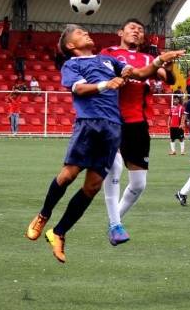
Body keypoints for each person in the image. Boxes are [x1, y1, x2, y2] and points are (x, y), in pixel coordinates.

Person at [25, 24, 128, 263]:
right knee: (68, 175)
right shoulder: (72, 64)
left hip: (112, 128)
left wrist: (157, 63)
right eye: (80, 33)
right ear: (71, 45)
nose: (86, 33)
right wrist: (106, 84)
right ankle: (43, 215)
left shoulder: (108, 60)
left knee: (92, 187)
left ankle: (58, 233)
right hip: (89, 125)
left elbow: (134, 71)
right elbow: (80, 89)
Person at [100, 18, 182, 246]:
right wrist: (157, 62)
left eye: (140, 30)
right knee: (114, 169)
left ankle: (112, 222)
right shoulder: (109, 53)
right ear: (120, 32)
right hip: (111, 120)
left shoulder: (148, 58)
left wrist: (168, 64)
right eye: (132, 28)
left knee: (138, 185)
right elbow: (136, 74)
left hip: (138, 124)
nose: (136, 32)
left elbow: (171, 80)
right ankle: (116, 225)